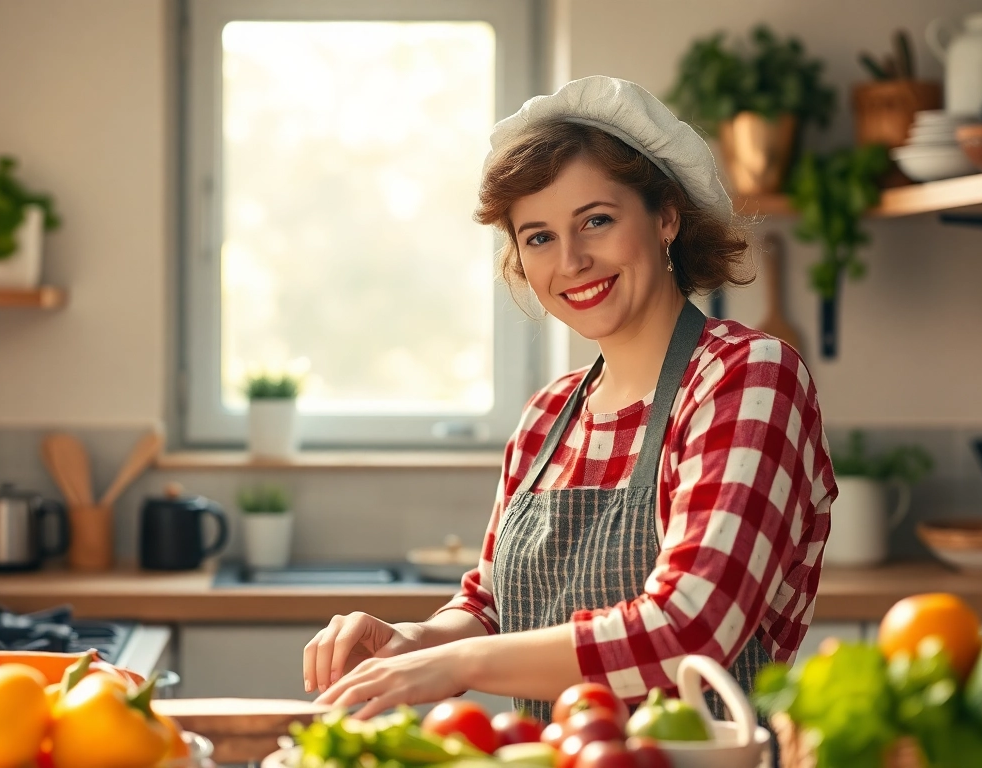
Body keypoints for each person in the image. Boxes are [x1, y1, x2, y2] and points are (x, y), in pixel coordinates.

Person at [303, 76, 835, 722]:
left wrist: (454, 666)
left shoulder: (747, 378)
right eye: (539, 237)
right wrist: (414, 641)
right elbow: (490, 607)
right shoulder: (548, 418)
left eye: (597, 221)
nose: (572, 260)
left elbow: (693, 626)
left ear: (666, 216)